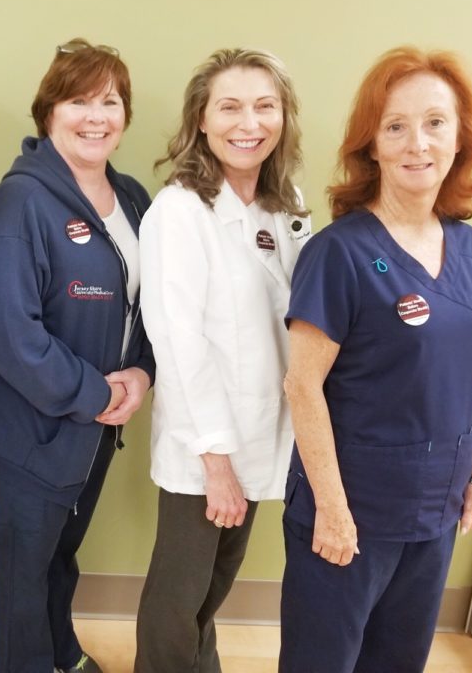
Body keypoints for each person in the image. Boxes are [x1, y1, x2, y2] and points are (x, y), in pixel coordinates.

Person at [279, 47, 472, 673]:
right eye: (396, 126)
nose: (417, 143)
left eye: (435, 123)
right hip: (353, 510)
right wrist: (332, 510)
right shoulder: (339, 254)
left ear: (459, 138)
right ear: (372, 145)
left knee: (399, 661)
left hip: (435, 511)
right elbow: (302, 386)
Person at [0, 39, 155, 673]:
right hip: (32, 430)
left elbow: (155, 308)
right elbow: (11, 337)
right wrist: (97, 393)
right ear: (49, 110)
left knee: (61, 553)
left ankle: (62, 653)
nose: (95, 116)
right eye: (79, 101)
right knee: (25, 571)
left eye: (110, 101)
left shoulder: (133, 199)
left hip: (99, 425)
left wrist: (142, 374)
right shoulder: (19, 202)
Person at [134, 48, 311, 672]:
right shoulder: (179, 211)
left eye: (265, 106)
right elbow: (177, 342)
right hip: (206, 443)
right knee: (178, 599)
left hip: (263, 433)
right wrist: (215, 461)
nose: (249, 123)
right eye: (230, 107)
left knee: (211, 593)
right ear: (201, 120)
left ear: (283, 116)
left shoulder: (286, 203)